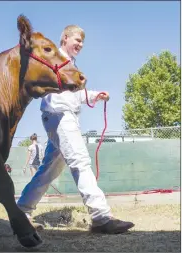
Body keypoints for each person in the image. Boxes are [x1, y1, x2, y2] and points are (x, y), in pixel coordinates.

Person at [16, 25, 135, 234]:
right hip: (59, 115)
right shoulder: (55, 59)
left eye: (82, 41)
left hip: (63, 116)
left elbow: (77, 94)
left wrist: (94, 95)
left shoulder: (70, 65)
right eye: (77, 39)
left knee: (48, 171)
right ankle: (101, 217)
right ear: (64, 38)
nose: (80, 44)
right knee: (80, 161)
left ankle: (21, 213)